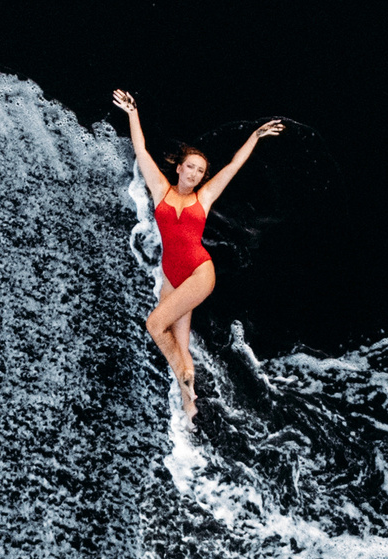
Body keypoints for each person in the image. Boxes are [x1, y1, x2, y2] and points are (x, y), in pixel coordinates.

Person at [111, 90, 285, 421]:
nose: (193, 174)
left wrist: (255, 136)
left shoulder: (203, 198)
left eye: (199, 171)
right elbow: (141, 150)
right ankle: (190, 407)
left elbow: (234, 165)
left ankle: (185, 379)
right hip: (171, 275)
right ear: (179, 168)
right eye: (190, 167)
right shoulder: (161, 190)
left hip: (199, 272)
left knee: (155, 324)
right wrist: (133, 113)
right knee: (179, 342)